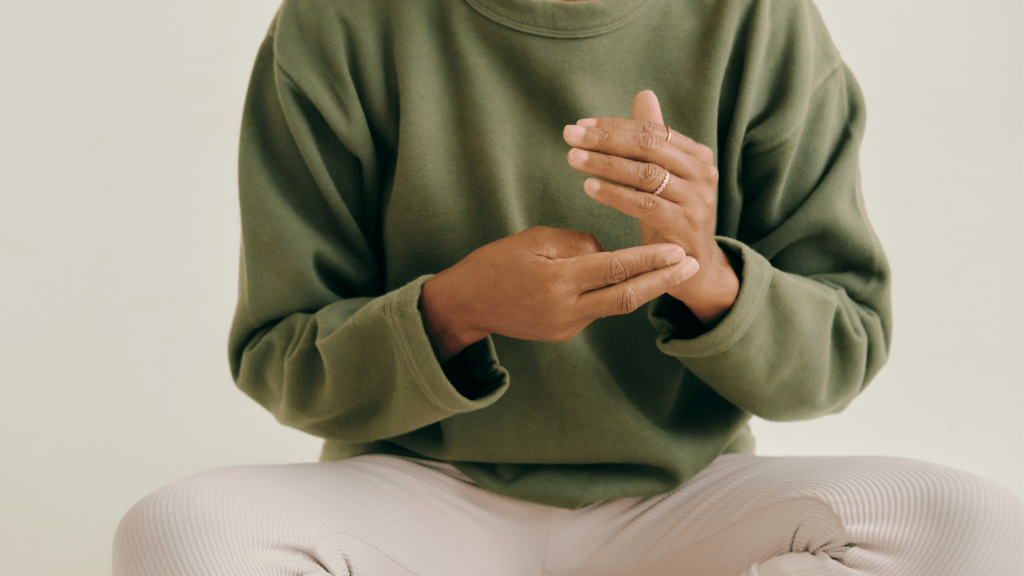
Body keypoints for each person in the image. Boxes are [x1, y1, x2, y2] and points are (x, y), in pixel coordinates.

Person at [112, 0, 1024, 573]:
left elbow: (839, 357)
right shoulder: (338, 21)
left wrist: (707, 274)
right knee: (180, 533)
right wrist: (455, 312)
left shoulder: (757, 18)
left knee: (973, 524)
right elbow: (280, 357)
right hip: (413, 497)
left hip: (682, 503)